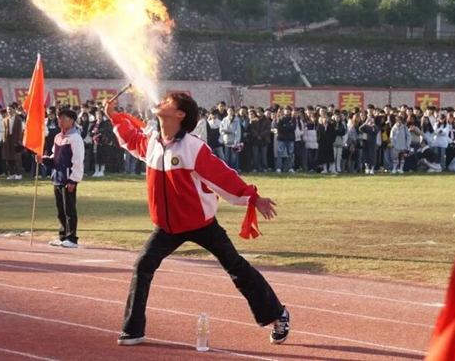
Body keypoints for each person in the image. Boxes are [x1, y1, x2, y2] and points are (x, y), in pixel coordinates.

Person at [105, 92, 290, 347]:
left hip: (202, 224)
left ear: (180, 114)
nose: (161, 102)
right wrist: (115, 117)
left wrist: (252, 197)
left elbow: (222, 176)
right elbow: (133, 140)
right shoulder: (153, 142)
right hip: (167, 227)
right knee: (143, 266)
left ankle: (278, 314)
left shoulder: (193, 147)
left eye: (168, 101)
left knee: (236, 267)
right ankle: (133, 329)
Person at [36, 108, 84, 249]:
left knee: (69, 209)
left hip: (68, 178)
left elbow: (78, 160)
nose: (60, 121)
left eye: (64, 118)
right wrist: (43, 159)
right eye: (59, 118)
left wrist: (73, 179)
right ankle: (63, 235)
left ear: (72, 121)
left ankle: (72, 238)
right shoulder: (58, 137)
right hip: (57, 177)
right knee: (60, 210)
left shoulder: (75, 138)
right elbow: (54, 157)